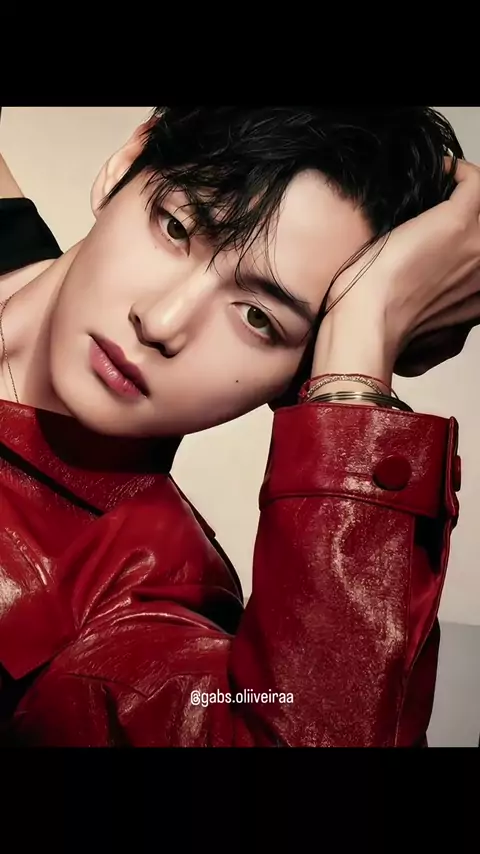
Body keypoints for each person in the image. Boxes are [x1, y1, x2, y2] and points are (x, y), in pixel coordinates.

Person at [0, 106, 478, 747]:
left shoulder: (139, 594)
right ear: (123, 166)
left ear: (298, 376)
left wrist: (363, 344)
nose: (162, 322)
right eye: (177, 226)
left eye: (258, 318)